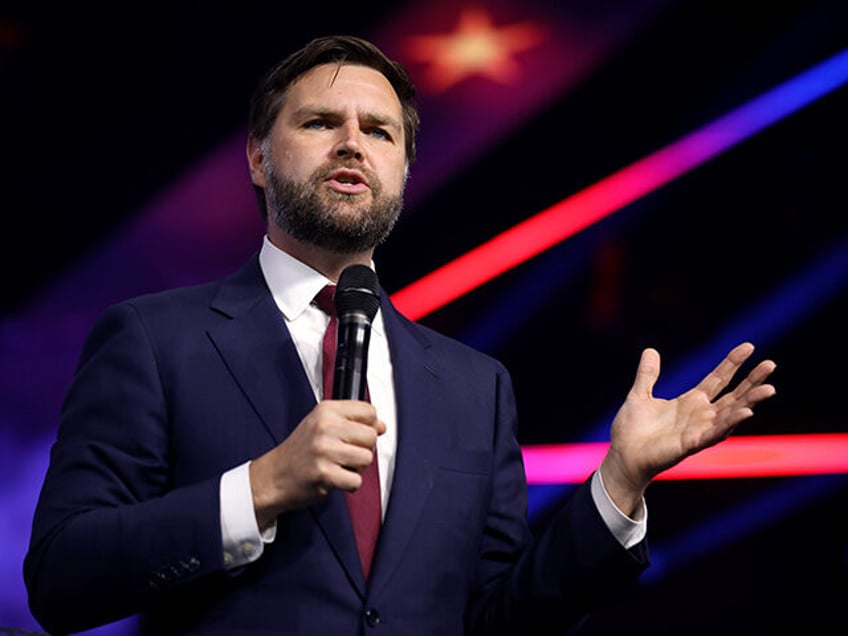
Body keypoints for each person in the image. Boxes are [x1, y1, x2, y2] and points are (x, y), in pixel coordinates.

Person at [23, 35, 777, 636]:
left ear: (404, 169)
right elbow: (61, 579)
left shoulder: (475, 386)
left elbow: (498, 616)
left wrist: (618, 485)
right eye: (321, 123)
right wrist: (260, 488)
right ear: (258, 156)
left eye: (378, 131)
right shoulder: (156, 340)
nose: (353, 143)